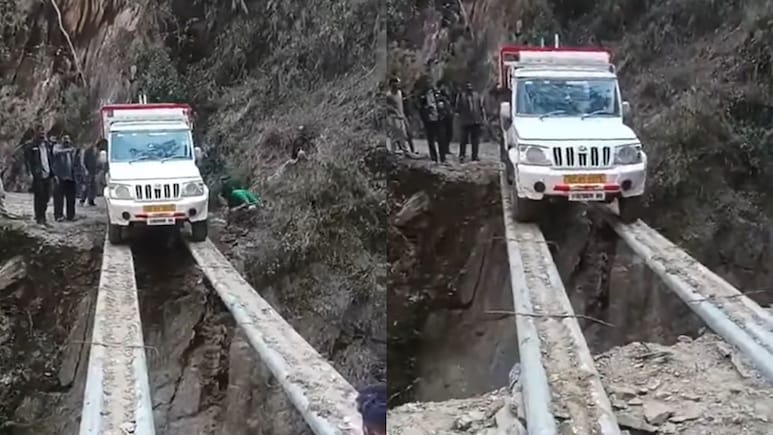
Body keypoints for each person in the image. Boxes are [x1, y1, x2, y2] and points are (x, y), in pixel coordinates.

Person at [23, 126, 53, 225]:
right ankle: (40, 218)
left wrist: (53, 173)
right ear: (36, 134)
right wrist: (29, 173)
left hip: (48, 174)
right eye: (40, 133)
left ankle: (42, 215)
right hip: (37, 175)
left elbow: (50, 159)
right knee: (39, 196)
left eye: (43, 133)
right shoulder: (31, 146)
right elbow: (27, 161)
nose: (42, 135)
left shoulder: (48, 145)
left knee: (46, 197)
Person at [455, 81, 487, 162]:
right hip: (465, 121)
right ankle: (462, 155)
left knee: (475, 140)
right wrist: (459, 118)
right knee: (463, 140)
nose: (469, 88)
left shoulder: (476, 95)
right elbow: (457, 108)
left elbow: (481, 107)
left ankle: (475, 156)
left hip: (476, 120)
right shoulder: (461, 96)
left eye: (470, 86)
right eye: (467, 86)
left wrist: (482, 119)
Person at [52, 134, 80, 221]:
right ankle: (58, 215)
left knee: (71, 198)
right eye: (65, 140)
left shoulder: (72, 150)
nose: (66, 142)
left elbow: (76, 163)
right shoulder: (57, 147)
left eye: (68, 140)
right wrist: (68, 150)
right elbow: (55, 153)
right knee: (58, 199)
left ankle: (71, 215)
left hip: (71, 177)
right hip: (59, 177)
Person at [417, 81, 444, 163]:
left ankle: (442, 157)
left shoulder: (437, 94)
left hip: (438, 118)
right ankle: (434, 157)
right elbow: (419, 107)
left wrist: (442, 107)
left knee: (441, 139)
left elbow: (443, 101)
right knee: (431, 139)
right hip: (429, 120)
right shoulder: (422, 95)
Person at [385, 77, 413, 156]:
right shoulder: (389, 95)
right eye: (395, 83)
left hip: (401, 116)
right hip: (393, 117)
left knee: (403, 134)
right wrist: (393, 110)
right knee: (395, 134)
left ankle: (405, 150)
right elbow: (387, 106)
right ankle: (393, 151)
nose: (397, 85)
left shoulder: (400, 93)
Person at [436, 79, 454, 156]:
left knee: (449, 134)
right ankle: (443, 150)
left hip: (449, 117)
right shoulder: (438, 96)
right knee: (442, 135)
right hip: (442, 118)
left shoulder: (447, 96)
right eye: (443, 86)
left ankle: (446, 148)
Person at [79, 138, 98, 206]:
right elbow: (82, 162)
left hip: (93, 170)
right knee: (87, 186)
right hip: (87, 171)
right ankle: (82, 200)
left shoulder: (94, 151)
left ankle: (91, 200)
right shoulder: (87, 151)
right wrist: (85, 170)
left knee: (93, 186)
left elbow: (95, 161)